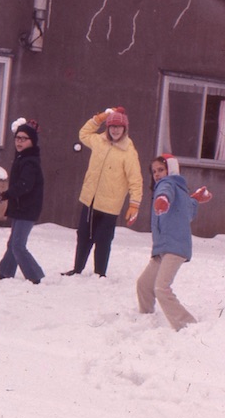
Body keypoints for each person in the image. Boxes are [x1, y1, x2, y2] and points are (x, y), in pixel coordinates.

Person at [63, 107, 142, 277]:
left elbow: (135, 181)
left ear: (125, 129)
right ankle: (77, 269)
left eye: (118, 127)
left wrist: (134, 204)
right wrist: (100, 117)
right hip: (89, 200)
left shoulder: (129, 152)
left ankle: (100, 274)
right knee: (83, 235)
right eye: (111, 126)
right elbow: (83, 133)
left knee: (103, 240)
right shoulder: (99, 141)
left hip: (110, 206)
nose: (115, 130)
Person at [136, 155, 212, 331]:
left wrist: (162, 199)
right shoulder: (182, 192)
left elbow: (166, 191)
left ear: (171, 169)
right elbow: (188, 212)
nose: (157, 174)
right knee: (144, 284)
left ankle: (188, 326)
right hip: (163, 247)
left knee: (161, 288)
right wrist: (196, 199)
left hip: (174, 247)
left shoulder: (167, 184)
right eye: (154, 171)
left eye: (161, 170)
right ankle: (146, 318)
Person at [0, 118, 45, 284]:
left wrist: (6, 194)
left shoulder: (30, 162)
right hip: (20, 207)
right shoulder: (22, 158)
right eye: (17, 138)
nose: (20, 142)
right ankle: (5, 272)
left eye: (24, 139)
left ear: (32, 141)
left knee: (18, 245)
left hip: (27, 209)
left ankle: (35, 276)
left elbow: (25, 185)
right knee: (13, 243)